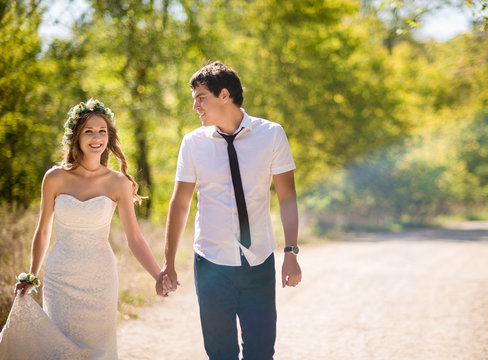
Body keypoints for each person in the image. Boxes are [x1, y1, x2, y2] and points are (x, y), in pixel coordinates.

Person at [157, 61, 302, 359]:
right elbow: (180, 203)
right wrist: (168, 262)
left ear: (224, 95)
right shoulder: (192, 143)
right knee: (220, 353)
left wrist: (291, 253)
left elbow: (287, 197)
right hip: (211, 265)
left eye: (201, 98)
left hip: (258, 262)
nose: (195, 106)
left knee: (261, 353)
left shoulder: (272, 134)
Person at [0, 99, 162, 359]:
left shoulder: (118, 182)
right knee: (60, 347)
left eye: (102, 131)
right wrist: (31, 275)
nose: (96, 137)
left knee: (97, 351)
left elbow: (135, 239)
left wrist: (158, 275)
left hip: (100, 278)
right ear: (76, 136)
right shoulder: (54, 178)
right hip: (60, 276)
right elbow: (43, 231)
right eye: (89, 131)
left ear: (109, 137)